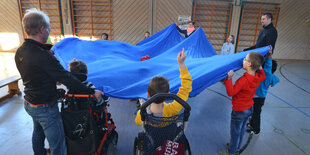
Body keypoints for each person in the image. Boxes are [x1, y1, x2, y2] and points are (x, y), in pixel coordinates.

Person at [15, 8, 104, 155]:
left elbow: (33, 73)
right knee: (58, 144)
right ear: (42, 29)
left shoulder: (20, 51)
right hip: (45, 108)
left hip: (30, 103)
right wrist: (91, 92)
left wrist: (50, 77)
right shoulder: (44, 55)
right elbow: (67, 78)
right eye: (48, 28)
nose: (49, 31)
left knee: (38, 133)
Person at [135, 48, 192, 125]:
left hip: (151, 136)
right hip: (170, 136)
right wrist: (181, 64)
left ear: (148, 94)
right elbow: (185, 89)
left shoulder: (142, 114)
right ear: (168, 94)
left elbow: (138, 122)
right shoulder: (173, 109)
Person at [223, 52, 265, 155]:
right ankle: (236, 148)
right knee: (241, 130)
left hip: (239, 110)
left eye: (245, 59)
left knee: (235, 133)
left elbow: (231, 92)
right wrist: (260, 68)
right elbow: (263, 76)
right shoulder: (257, 77)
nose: (243, 61)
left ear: (250, 64)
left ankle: (231, 152)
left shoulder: (243, 80)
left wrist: (229, 79)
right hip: (249, 108)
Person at [247, 48, 280, 135]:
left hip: (259, 98)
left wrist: (269, 55)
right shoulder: (266, 75)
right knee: (253, 112)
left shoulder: (267, 75)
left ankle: (256, 130)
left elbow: (268, 66)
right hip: (256, 96)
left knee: (256, 114)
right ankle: (251, 124)